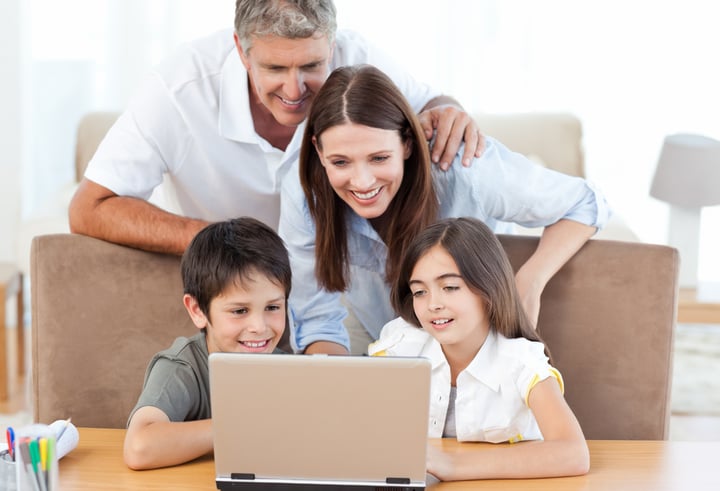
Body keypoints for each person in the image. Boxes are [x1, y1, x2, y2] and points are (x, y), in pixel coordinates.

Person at [68, 0, 484, 255]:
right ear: (241, 51)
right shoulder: (178, 90)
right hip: (243, 283)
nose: (294, 89)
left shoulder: (358, 58)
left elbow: (436, 104)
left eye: (311, 65)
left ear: (332, 44)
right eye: (274, 68)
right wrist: (223, 240)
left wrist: (449, 112)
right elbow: (89, 207)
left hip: (344, 273)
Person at [279, 64, 611, 355]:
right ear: (318, 152)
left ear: (407, 143)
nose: (363, 182)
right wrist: (339, 384)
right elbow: (317, 320)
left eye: (379, 158)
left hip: (477, 342)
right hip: (382, 342)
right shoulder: (304, 192)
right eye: (340, 162)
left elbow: (586, 202)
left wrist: (528, 282)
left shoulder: (467, 170)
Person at [368, 217, 590, 480]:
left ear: (488, 288)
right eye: (419, 292)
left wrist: (453, 467)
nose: (432, 304)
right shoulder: (398, 346)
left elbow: (573, 453)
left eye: (450, 287)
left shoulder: (522, 362)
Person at [123, 216, 291, 470]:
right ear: (198, 310)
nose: (260, 327)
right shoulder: (181, 367)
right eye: (239, 311)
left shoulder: (289, 370)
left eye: (273, 307)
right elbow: (139, 447)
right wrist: (240, 426)